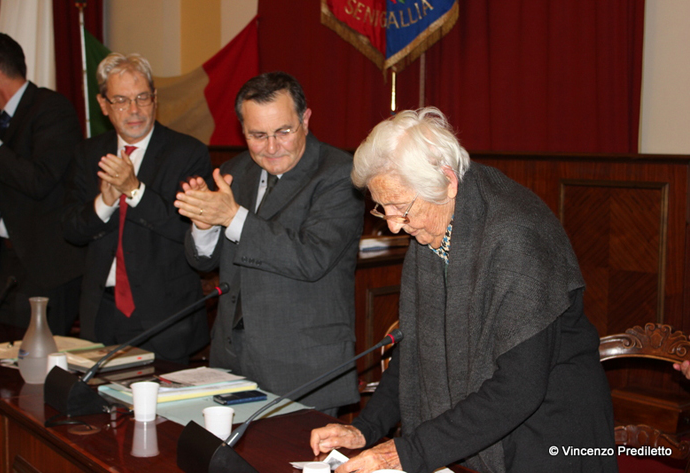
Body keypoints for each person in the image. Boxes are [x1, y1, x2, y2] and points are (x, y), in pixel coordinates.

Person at [310, 108, 618, 472]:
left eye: (400, 208)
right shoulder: (433, 224)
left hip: (551, 432)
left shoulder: (515, 238)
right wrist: (365, 428)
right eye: (382, 208)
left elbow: (518, 388)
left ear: (447, 181)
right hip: (488, 423)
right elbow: (416, 350)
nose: (393, 225)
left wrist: (407, 452)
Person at [174, 72, 363, 414]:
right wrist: (204, 226)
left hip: (303, 367)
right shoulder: (235, 171)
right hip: (232, 360)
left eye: (283, 132)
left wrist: (232, 217)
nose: (272, 147)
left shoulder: (339, 173)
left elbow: (311, 258)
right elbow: (204, 262)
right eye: (258, 135)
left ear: (305, 119)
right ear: (242, 130)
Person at [63, 53, 211, 363]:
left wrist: (134, 190)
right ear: (103, 105)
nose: (134, 109)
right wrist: (104, 203)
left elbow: (188, 231)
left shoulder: (187, 153)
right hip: (101, 311)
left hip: (164, 317)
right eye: (121, 100)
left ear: (155, 99)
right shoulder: (88, 153)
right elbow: (71, 230)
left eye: (142, 97)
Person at [0, 33, 84, 334]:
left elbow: (40, 180)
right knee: (0, 350)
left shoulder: (51, 109)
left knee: (39, 356)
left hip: (47, 266)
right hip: (6, 261)